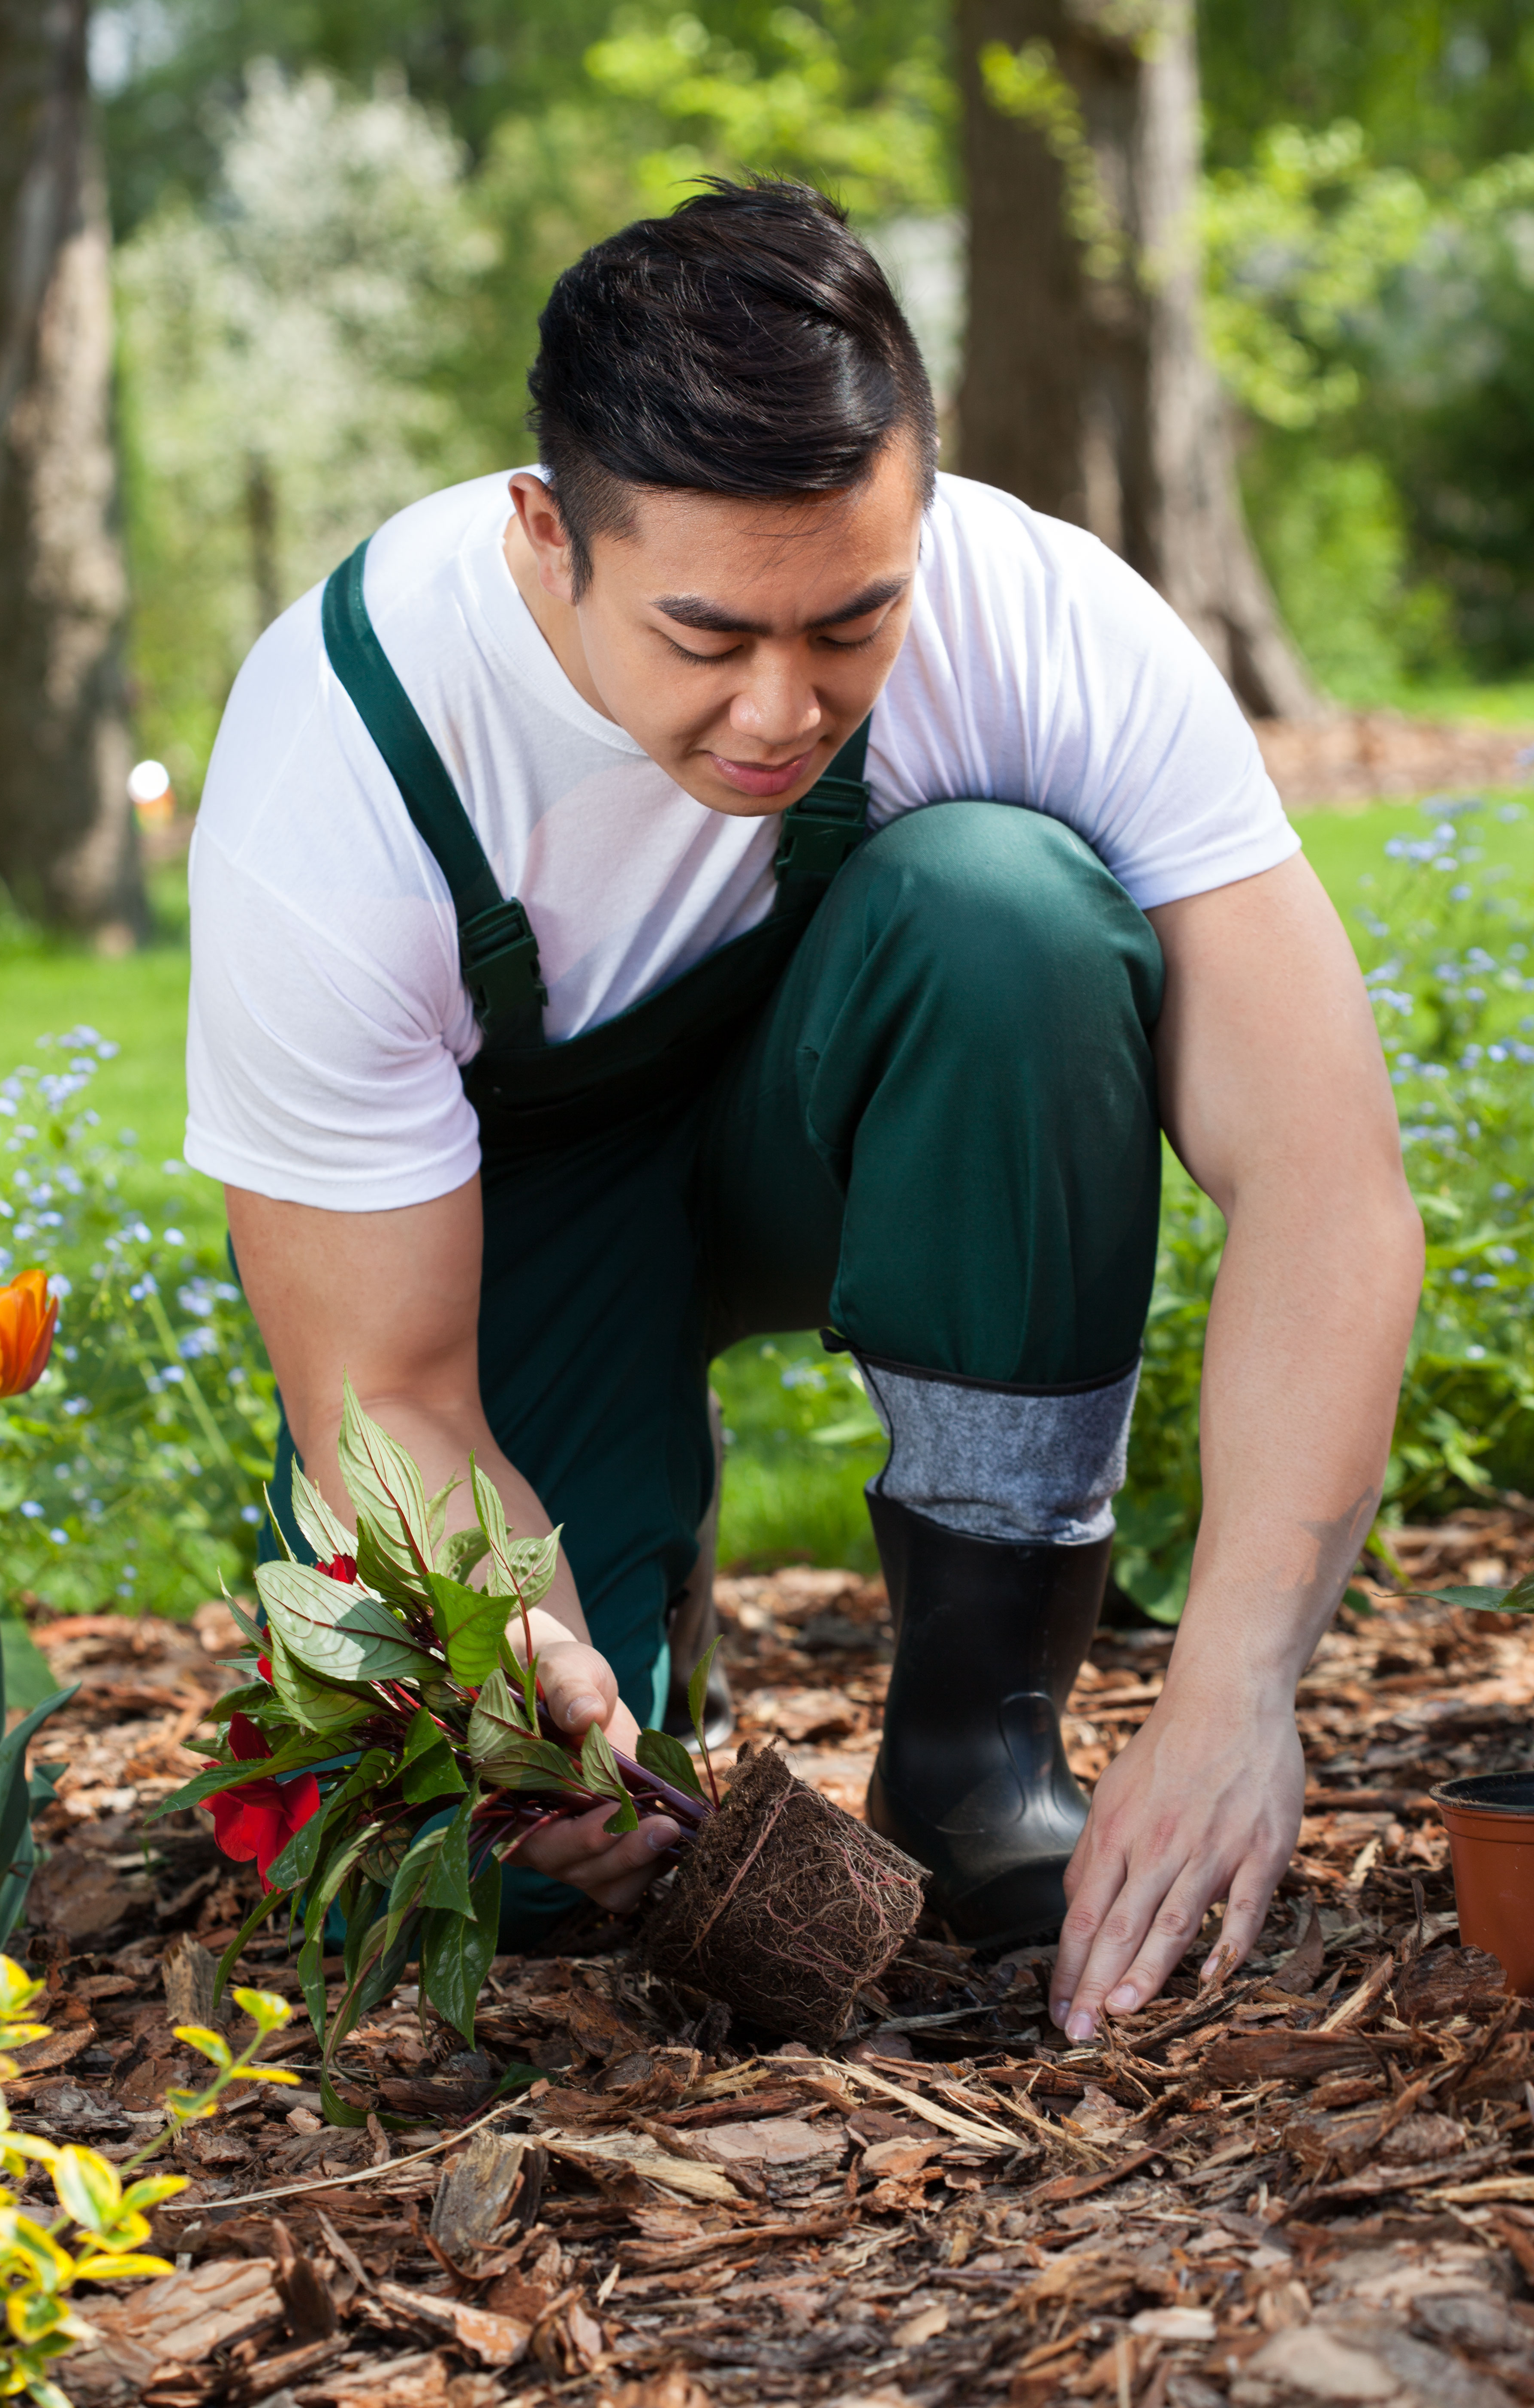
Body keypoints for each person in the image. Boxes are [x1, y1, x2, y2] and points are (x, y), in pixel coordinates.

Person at [187, 178, 1422, 2042]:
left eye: (852, 619)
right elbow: (387, 1393)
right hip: (510, 1215)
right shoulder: (345, 768)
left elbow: (1330, 1182)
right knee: (533, 1848)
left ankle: (975, 1747)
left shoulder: (1039, 617)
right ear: (547, 534)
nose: (784, 704)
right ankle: (629, 1603)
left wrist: (1241, 1683)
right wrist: (520, 1654)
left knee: (1007, 912)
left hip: (848, 1105)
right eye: (706, 636)